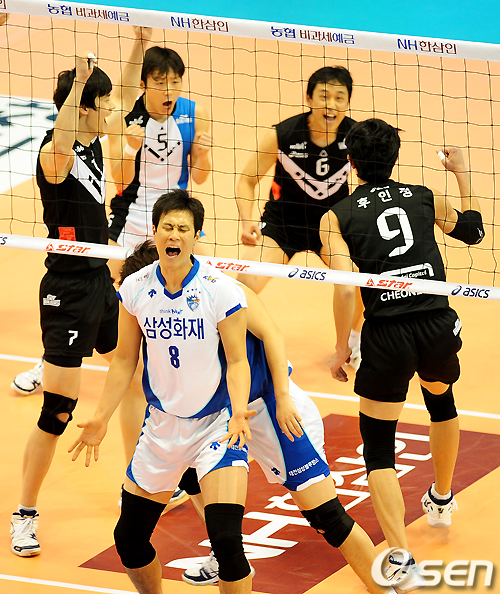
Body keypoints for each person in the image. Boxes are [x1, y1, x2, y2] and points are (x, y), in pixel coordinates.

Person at [111, 240, 399, 594]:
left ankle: (384, 588)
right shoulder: (154, 309)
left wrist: (282, 397)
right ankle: (222, 551)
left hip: (272, 408)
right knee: (190, 474)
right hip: (222, 417)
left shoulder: (222, 291)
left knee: (327, 517)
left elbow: (272, 335)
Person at [319, 118, 484, 588]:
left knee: (378, 447)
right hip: (435, 324)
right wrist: (461, 172)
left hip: (386, 334)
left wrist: (341, 349)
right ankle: (442, 498)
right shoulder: (424, 197)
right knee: (441, 401)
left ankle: (401, 556)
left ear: (350, 162)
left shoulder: (336, 216)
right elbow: (474, 232)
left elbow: (345, 287)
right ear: (395, 158)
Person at [70, 190, 256, 594]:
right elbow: (124, 360)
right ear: (154, 232)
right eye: (167, 227)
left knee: (226, 543)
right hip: (161, 429)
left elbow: (238, 361)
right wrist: (100, 418)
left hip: (216, 426)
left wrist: (240, 410)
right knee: (129, 540)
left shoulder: (220, 290)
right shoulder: (135, 287)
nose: (175, 235)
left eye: (183, 229)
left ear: (196, 236)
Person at [9, 53, 119, 557]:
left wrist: (137, 43)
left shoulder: (93, 142)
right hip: (67, 292)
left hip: (101, 282)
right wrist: (78, 84)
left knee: (137, 372)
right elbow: (60, 139)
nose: (112, 110)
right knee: (58, 411)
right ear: (82, 108)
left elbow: (109, 104)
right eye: (103, 103)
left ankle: (152, 477)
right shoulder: (55, 158)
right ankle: (24, 515)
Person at [235, 66, 363, 367]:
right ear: (309, 98)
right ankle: (241, 347)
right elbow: (246, 181)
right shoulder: (283, 134)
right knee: (242, 287)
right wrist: (247, 221)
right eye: (324, 96)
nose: (331, 105)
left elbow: (370, 182)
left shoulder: (356, 136)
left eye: (339, 98)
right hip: (283, 224)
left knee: (358, 281)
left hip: (331, 227)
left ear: (348, 103)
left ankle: (354, 342)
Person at [107, 44, 212, 269]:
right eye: (161, 83)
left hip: (176, 215)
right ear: (143, 84)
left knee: (210, 275)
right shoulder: (124, 117)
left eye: (175, 82)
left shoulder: (195, 114)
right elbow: (120, 182)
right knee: (104, 277)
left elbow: (200, 178)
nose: (169, 90)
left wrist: (203, 156)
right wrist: (131, 149)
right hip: (132, 214)